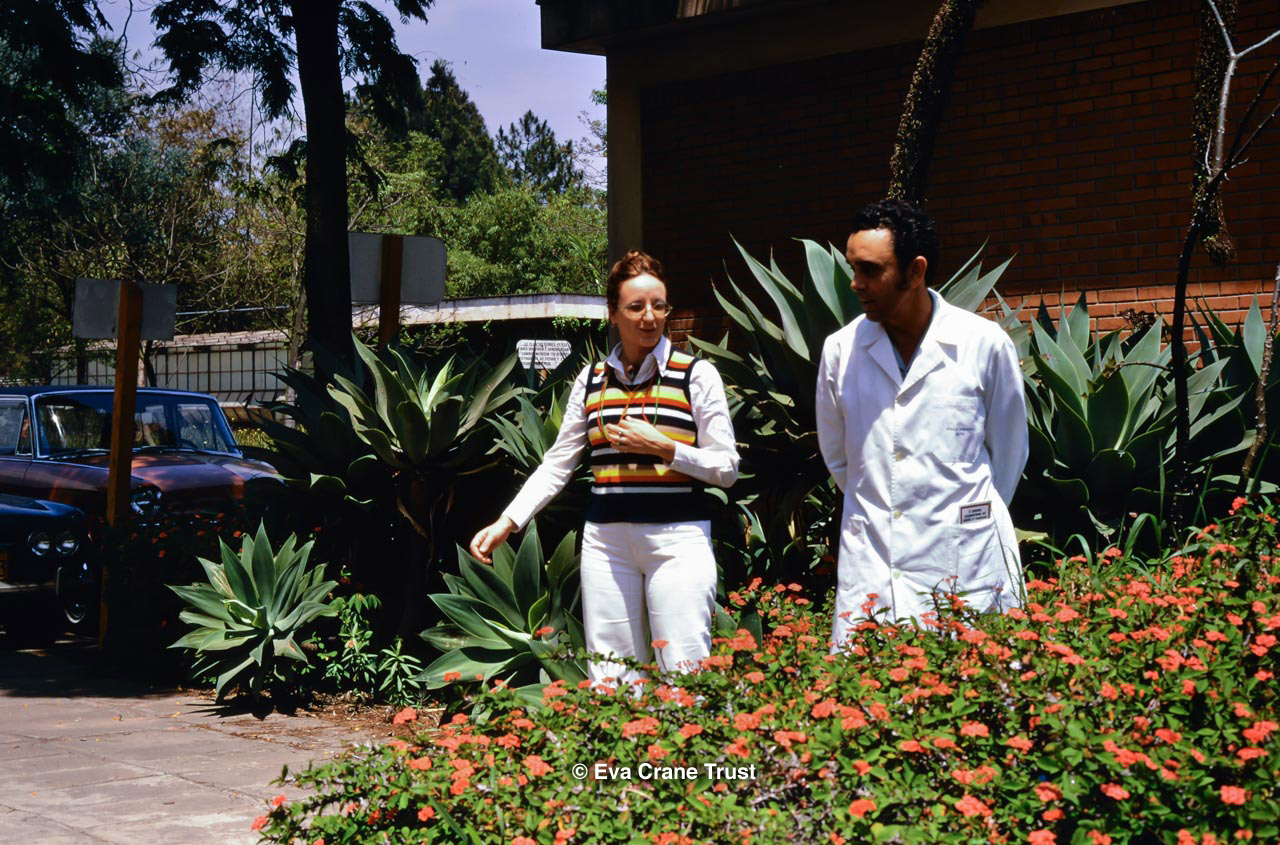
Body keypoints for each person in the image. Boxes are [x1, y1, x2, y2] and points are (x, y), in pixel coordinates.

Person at [470, 250, 739, 686]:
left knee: (685, 669)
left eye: (659, 306)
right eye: (636, 307)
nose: (649, 317)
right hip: (607, 544)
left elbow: (726, 468)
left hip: (678, 539)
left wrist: (666, 448)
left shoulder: (696, 376)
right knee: (611, 675)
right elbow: (558, 463)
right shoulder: (592, 380)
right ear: (613, 313)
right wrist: (508, 522)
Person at [815, 199, 1028, 645]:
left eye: (870, 270)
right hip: (874, 560)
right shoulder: (840, 351)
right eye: (853, 268)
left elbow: (1009, 452)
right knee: (871, 682)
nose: (855, 283)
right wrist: (887, 506)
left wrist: (962, 516)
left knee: (972, 679)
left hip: (964, 562)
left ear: (915, 271)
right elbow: (839, 458)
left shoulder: (983, 344)